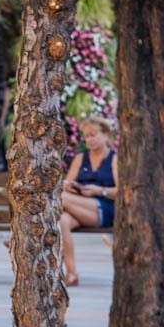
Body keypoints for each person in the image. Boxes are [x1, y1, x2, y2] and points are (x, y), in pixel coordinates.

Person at [59, 117, 118, 287]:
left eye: (93, 135)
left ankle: (28, 232)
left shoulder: (115, 159)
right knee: (62, 220)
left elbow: (123, 191)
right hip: (77, 205)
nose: (89, 140)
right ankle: (71, 273)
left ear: (106, 135)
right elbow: (65, 185)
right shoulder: (80, 158)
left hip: (104, 208)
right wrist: (71, 187)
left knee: (57, 198)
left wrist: (99, 191)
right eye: (86, 136)